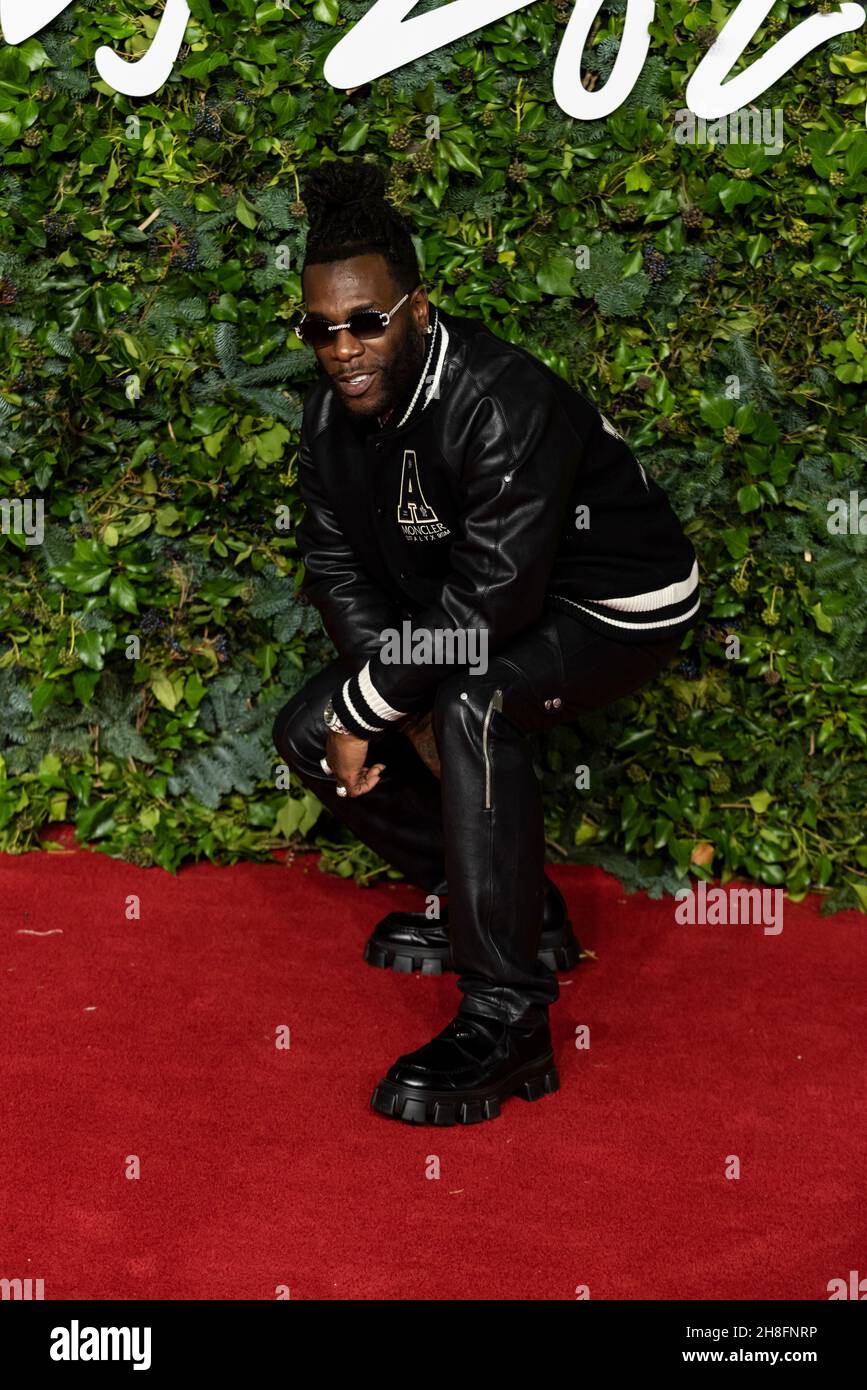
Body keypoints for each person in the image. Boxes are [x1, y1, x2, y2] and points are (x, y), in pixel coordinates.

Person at [273, 158, 702, 1127]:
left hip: (613, 604)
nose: (343, 350)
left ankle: (509, 1018)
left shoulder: (501, 398)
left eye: (367, 321)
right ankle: (516, 913)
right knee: (309, 732)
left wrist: (384, 701)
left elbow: (494, 598)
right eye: (320, 329)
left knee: (469, 704)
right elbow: (338, 568)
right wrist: (374, 701)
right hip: (488, 607)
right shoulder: (330, 417)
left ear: (418, 308)